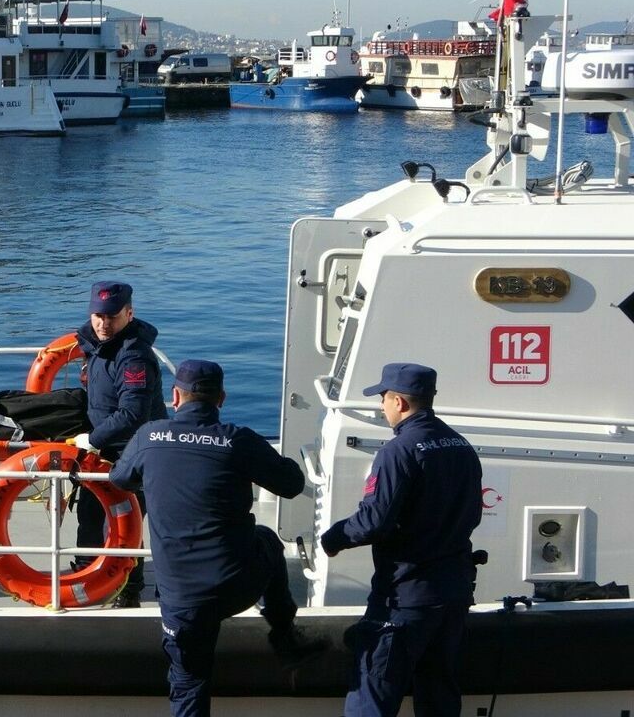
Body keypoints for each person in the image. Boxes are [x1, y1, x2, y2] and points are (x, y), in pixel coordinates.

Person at [110, 359, 325, 717]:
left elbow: (120, 478)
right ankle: (285, 638)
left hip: (181, 598)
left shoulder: (150, 436)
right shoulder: (238, 440)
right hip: (235, 586)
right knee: (268, 541)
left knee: (189, 683)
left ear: (175, 396)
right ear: (221, 399)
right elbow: (292, 484)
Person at [320, 363, 483, 717]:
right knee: (439, 697)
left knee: (372, 696)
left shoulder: (399, 451)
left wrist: (333, 537)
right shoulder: (461, 446)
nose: (381, 406)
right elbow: (473, 515)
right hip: (452, 595)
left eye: (383, 398)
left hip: (405, 598)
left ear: (400, 402)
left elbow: (374, 521)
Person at [71, 280, 166, 608]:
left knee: (127, 520)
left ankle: (129, 589)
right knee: (90, 514)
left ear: (129, 313)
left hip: (134, 451)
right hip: (101, 449)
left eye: (112, 316)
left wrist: (92, 439)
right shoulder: (96, 345)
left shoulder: (133, 357)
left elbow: (133, 412)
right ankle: (84, 574)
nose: (103, 323)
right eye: (98, 315)